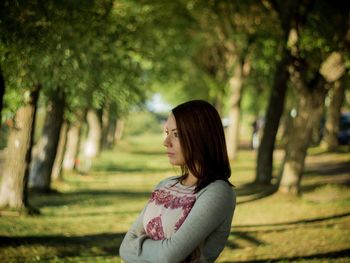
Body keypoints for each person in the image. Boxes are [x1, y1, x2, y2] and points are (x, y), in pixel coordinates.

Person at [119, 100, 236, 263]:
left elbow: (168, 257)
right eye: (167, 132)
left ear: (201, 137)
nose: (166, 142)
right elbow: (125, 247)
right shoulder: (165, 185)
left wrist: (139, 248)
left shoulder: (218, 192)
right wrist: (159, 248)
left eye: (177, 134)